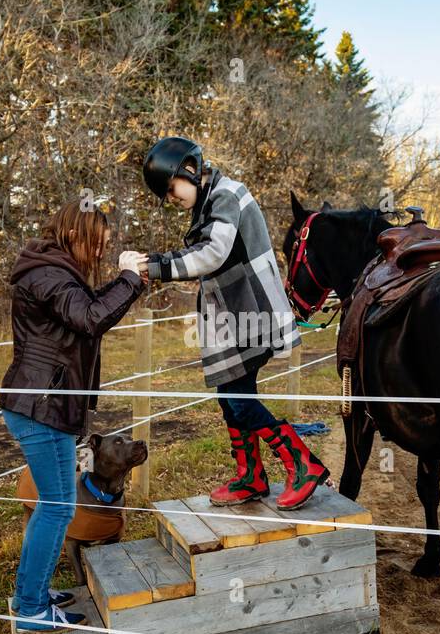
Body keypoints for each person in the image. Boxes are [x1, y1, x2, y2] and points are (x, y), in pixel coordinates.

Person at [126, 136, 329, 510]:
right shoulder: (209, 202)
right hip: (233, 319)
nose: (173, 197)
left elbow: (212, 254)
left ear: (189, 169)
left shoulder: (226, 195)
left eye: (172, 188)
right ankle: (251, 476)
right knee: (229, 397)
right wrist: (153, 261)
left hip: (252, 311)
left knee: (239, 398)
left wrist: (153, 266)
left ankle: (304, 465)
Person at [0, 200, 146, 634]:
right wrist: (129, 279)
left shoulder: (54, 272)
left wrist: (128, 283)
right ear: (75, 236)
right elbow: (91, 317)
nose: (100, 254)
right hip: (41, 409)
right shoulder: (48, 274)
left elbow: (91, 306)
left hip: (48, 407)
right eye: (96, 245)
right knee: (58, 509)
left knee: (54, 506)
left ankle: (32, 592)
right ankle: (30, 609)